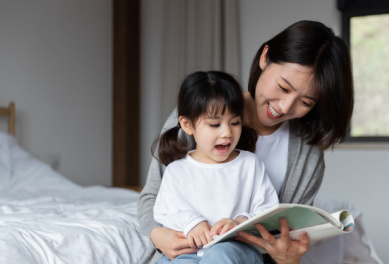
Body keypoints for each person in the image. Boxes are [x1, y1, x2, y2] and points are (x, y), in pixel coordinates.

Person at [138, 20, 354, 264]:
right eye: (283, 87)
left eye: (305, 102)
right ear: (265, 57)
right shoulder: (199, 110)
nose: (284, 107)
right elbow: (153, 198)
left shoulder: (306, 155)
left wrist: (288, 259)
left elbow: (284, 231)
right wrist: (157, 236)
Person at [150, 71, 279, 264]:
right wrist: (191, 222)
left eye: (235, 122)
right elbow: (163, 213)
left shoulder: (250, 165)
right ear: (187, 125)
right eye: (214, 124)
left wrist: (239, 223)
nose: (227, 132)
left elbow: (269, 211)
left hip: (237, 249)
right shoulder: (176, 171)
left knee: (219, 255)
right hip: (190, 252)